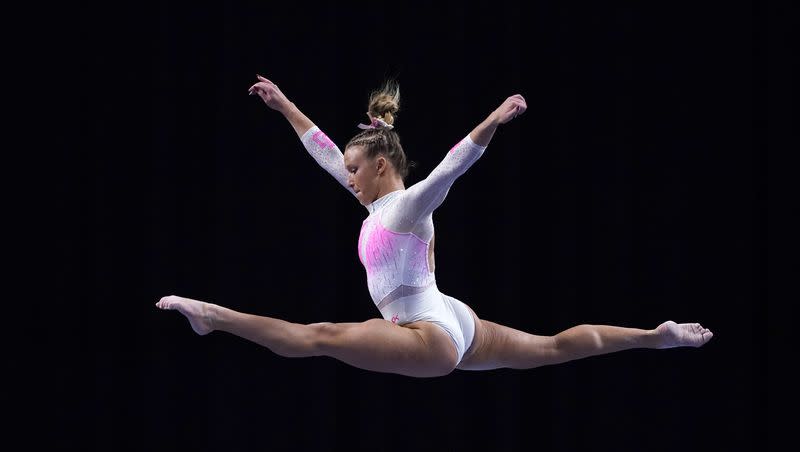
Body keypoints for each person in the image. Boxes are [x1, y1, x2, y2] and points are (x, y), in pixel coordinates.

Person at [156, 75, 713, 378]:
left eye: (355, 171)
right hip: (452, 318)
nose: (346, 178)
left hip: (429, 334)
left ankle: (213, 317)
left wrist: (492, 121)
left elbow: (452, 165)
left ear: (381, 166)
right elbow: (327, 153)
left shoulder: (406, 208)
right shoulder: (379, 209)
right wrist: (286, 107)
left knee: (319, 337)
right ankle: (654, 337)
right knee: (551, 348)